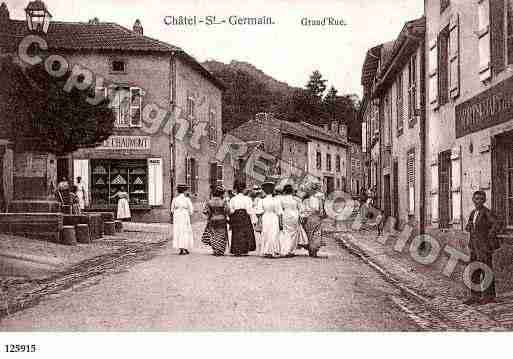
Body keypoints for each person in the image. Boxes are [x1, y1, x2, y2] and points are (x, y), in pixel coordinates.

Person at [464, 191, 500, 305]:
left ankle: (489, 296)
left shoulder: (487, 213)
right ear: (473, 200)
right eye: (476, 199)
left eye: (480, 199)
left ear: (484, 200)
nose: (478, 201)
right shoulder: (473, 213)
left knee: (486, 270)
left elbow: (497, 224)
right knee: (474, 271)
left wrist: (489, 236)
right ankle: (474, 296)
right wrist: (469, 226)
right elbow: (468, 226)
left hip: (484, 247)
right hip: (474, 247)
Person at [279, 184, 308, 257]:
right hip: (295, 215)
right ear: (292, 191)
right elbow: (302, 209)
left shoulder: (281, 199)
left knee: (286, 233)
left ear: (284, 191)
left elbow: (280, 209)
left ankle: (285, 249)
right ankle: (291, 250)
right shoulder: (297, 199)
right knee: (294, 234)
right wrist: (301, 216)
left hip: (286, 215)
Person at [229, 181, 256, 256]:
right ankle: (244, 249)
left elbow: (231, 210)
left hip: (236, 216)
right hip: (245, 216)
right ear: (244, 189)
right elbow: (250, 210)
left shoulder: (233, 199)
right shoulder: (247, 199)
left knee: (237, 233)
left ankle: (237, 250)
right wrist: (253, 220)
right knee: (245, 232)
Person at [256, 181, 283, 258]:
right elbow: (279, 213)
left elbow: (259, 213)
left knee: (266, 233)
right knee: (274, 234)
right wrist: (281, 223)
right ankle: (274, 250)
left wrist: (260, 221)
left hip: (265, 217)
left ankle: (266, 250)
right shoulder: (276, 200)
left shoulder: (262, 200)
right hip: (274, 217)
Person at [201, 186, 230, 256]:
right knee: (221, 235)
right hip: (222, 219)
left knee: (213, 234)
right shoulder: (223, 202)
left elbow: (205, 211)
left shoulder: (209, 202)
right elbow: (228, 210)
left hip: (212, 219)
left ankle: (215, 249)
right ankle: (220, 250)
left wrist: (210, 215)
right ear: (221, 194)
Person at [300, 183, 325, 257]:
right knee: (316, 233)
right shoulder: (318, 199)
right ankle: (314, 250)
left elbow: (302, 211)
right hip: (316, 217)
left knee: (309, 233)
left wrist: (303, 217)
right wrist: (321, 216)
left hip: (308, 218)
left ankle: (310, 249)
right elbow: (321, 210)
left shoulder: (305, 200)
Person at [171, 184, 194, 255]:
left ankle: (180, 248)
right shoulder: (187, 199)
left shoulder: (175, 199)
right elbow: (191, 210)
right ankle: (186, 247)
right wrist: (188, 213)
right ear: (184, 191)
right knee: (185, 231)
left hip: (177, 216)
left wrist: (176, 213)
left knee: (178, 231)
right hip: (184, 216)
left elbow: (172, 210)